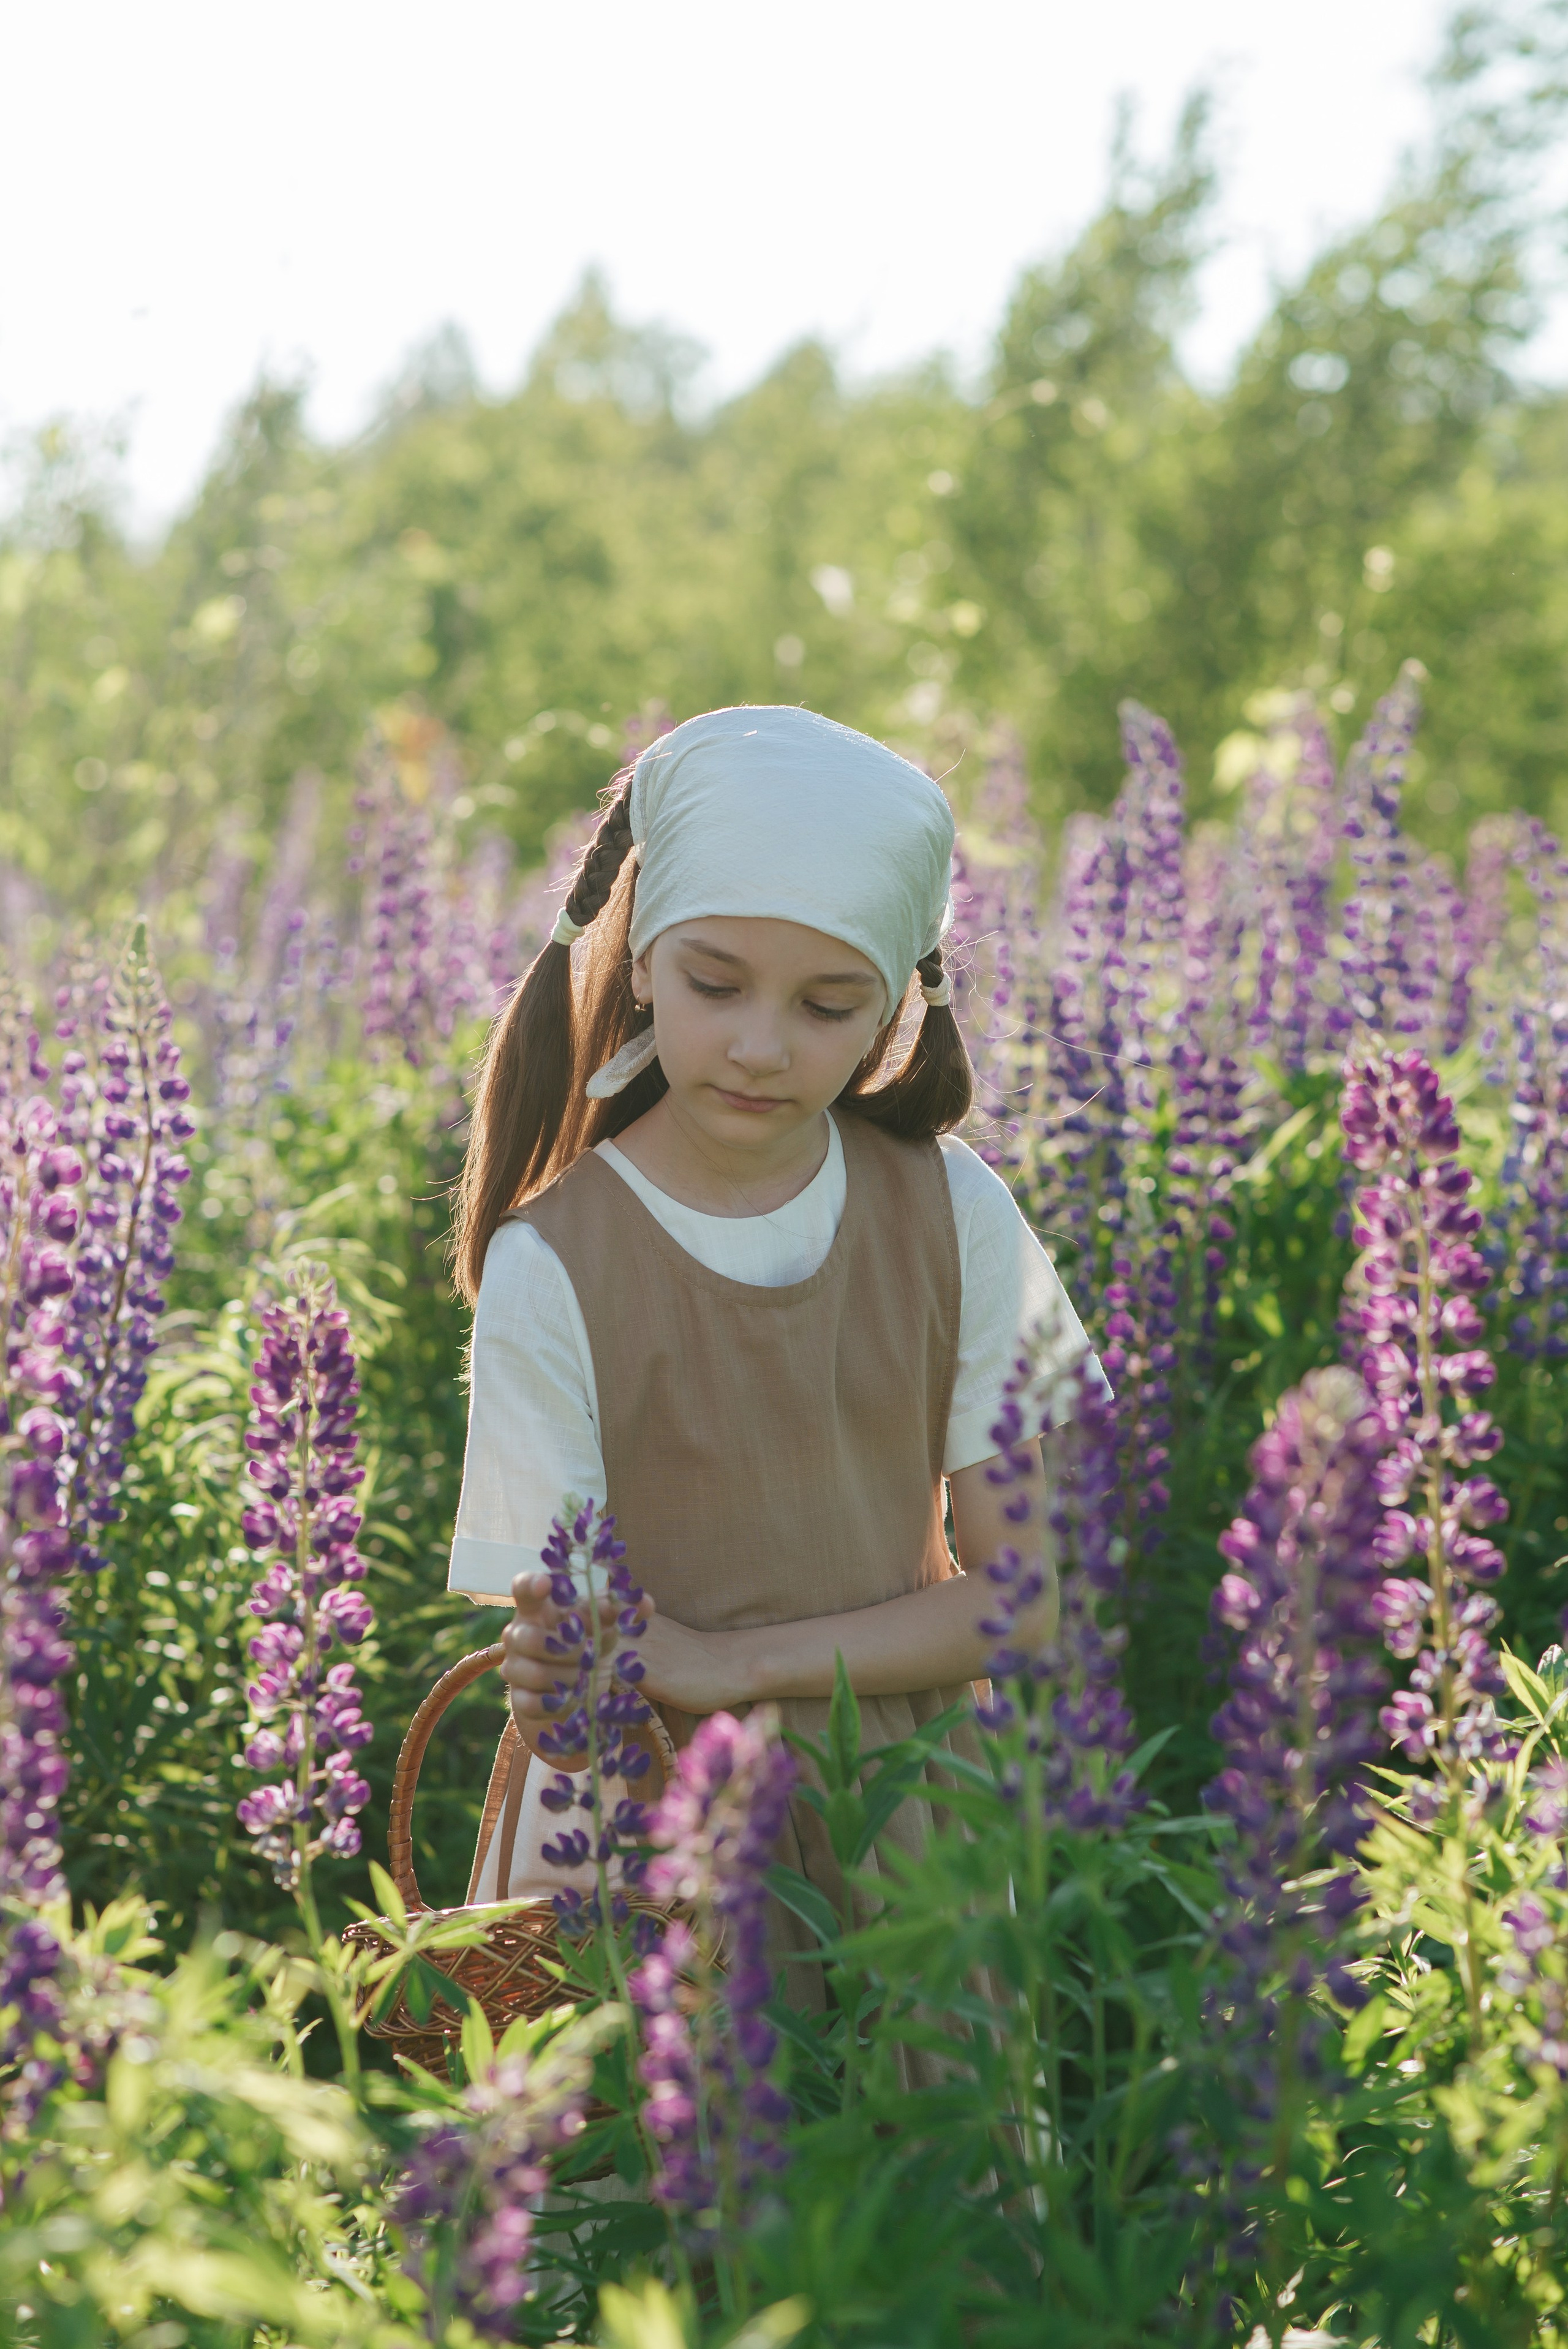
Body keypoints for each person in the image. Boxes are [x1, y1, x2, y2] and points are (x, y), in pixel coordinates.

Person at [445, 704, 1103, 2014]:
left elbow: (1037, 1595)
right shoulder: (552, 1262)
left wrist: (732, 1662)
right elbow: (569, 1642)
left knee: (899, 2196)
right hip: (632, 1829)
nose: (759, 1043)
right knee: (653, 2190)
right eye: (715, 982)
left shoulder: (954, 1213)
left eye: (825, 1003)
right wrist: (569, 1663)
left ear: (894, 1008)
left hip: (900, 1814)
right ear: (637, 959)